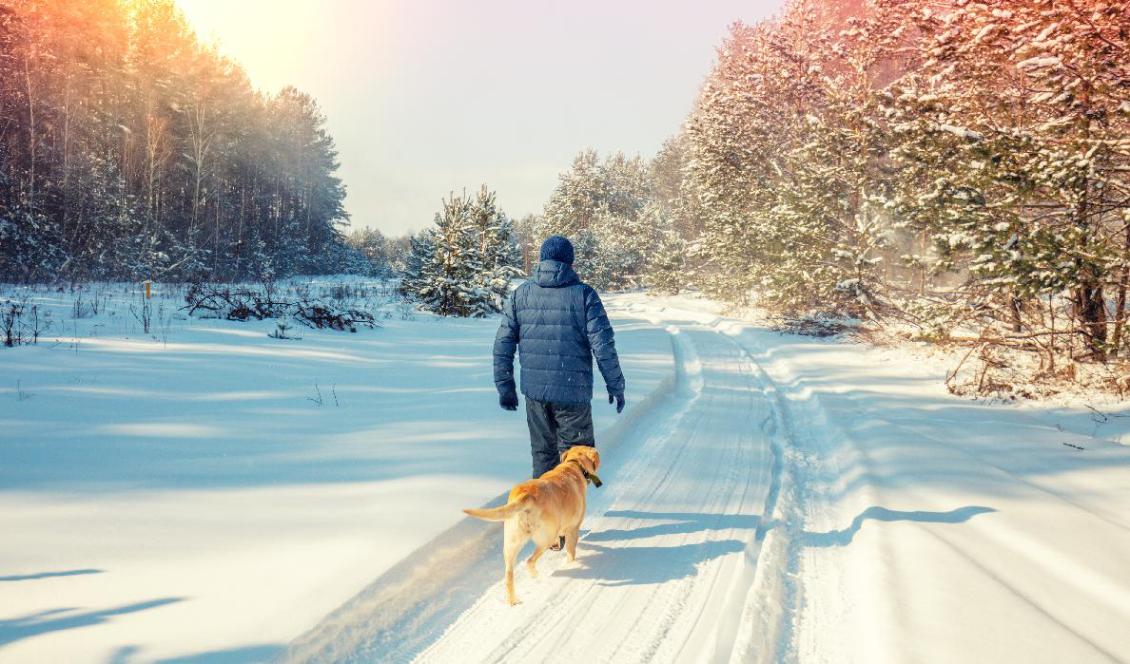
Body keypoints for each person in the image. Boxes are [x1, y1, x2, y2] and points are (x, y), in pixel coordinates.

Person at [493, 234, 626, 486]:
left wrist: (505, 386)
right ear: (570, 263)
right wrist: (615, 385)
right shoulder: (584, 295)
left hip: (535, 394)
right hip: (572, 393)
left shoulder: (521, 294)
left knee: (544, 456)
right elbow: (603, 345)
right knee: (577, 463)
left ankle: (546, 517)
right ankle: (568, 519)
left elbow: (503, 343)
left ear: (542, 260)